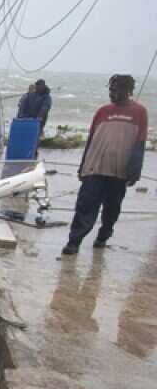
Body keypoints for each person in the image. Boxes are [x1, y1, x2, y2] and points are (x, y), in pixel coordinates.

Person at [62, 74, 147, 255]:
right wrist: (82, 166)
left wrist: (135, 171)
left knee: (112, 208)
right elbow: (91, 139)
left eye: (117, 90)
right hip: (95, 167)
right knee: (85, 205)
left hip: (119, 171)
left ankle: (103, 236)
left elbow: (140, 142)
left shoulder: (139, 112)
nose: (113, 93)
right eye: (111, 89)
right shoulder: (102, 111)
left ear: (128, 91)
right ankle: (74, 242)